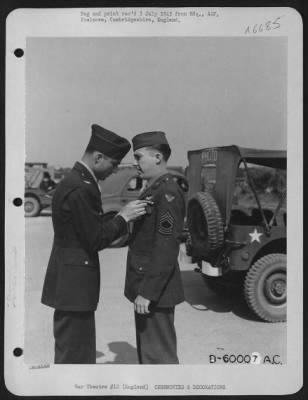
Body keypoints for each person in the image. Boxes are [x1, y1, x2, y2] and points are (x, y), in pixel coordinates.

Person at [41, 124, 148, 364]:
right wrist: (124, 216)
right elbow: (96, 239)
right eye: (113, 164)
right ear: (98, 157)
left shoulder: (74, 180)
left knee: (73, 349)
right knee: (76, 356)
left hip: (69, 281)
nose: (113, 170)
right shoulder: (83, 188)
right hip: (76, 285)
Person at [124, 131, 186, 364]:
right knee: (149, 355)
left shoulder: (167, 192)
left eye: (139, 157)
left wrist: (148, 292)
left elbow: (166, 247)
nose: (135, 162)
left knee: (159, 359)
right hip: (149, 285)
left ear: (158, 157)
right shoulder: (153, 189)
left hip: (155, 291)